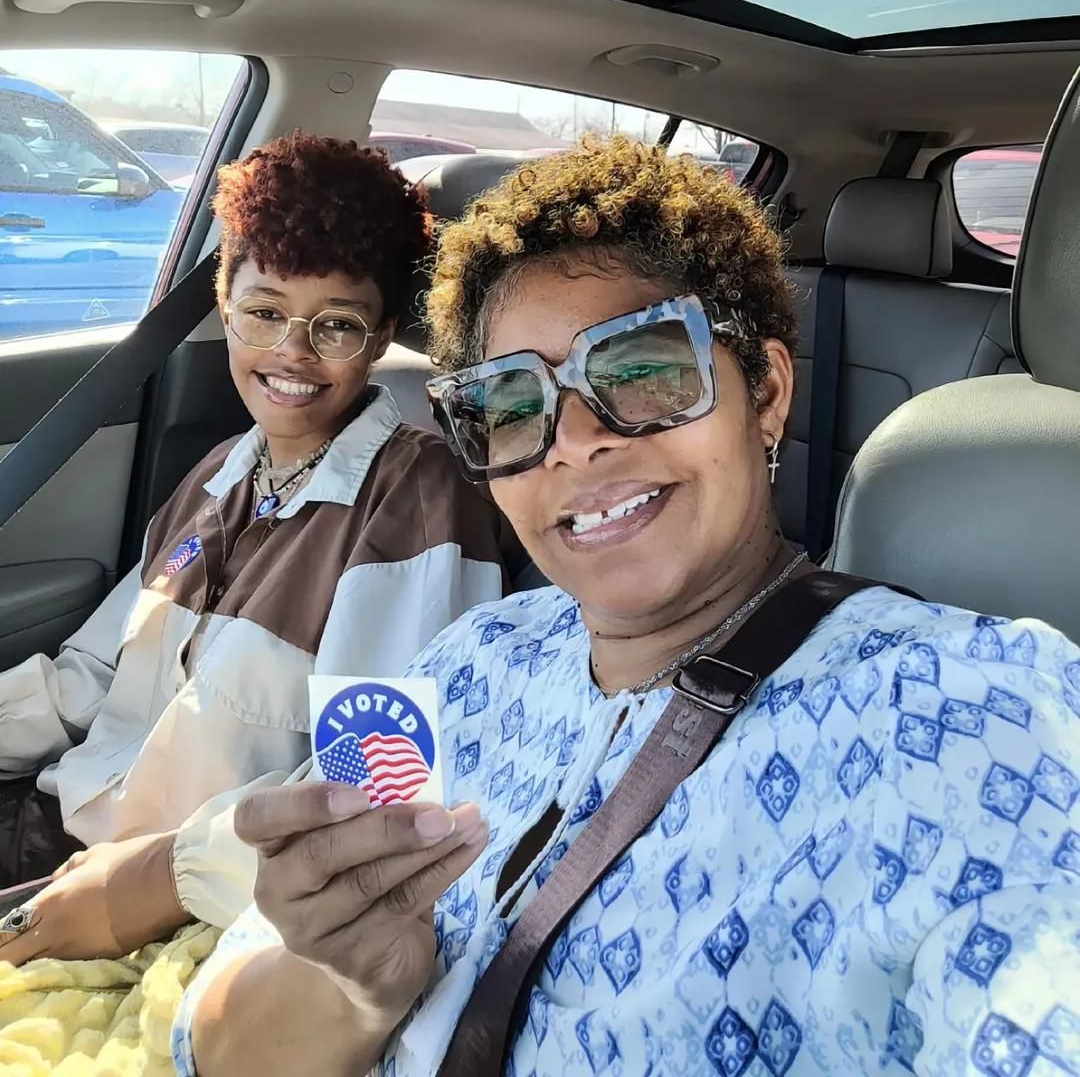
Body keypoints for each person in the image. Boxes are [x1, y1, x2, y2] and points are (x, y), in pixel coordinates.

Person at [177, 137, 1080, 1077]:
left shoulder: (978, 708)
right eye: (510, 404)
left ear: (767, 393)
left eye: (643, 368)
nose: (572, 442)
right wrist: (356, 985)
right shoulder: (466, 660)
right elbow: (215, 1048)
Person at [0, 130, 516, 966]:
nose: (292, 352)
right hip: (51, 828)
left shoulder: (415, 503)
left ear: (383, 333)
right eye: (265, 313)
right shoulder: (219, 473)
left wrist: (156, 884)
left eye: (337, 326)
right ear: (226, 304)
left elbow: (372, 790)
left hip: (163, 910)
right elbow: (91, 678)